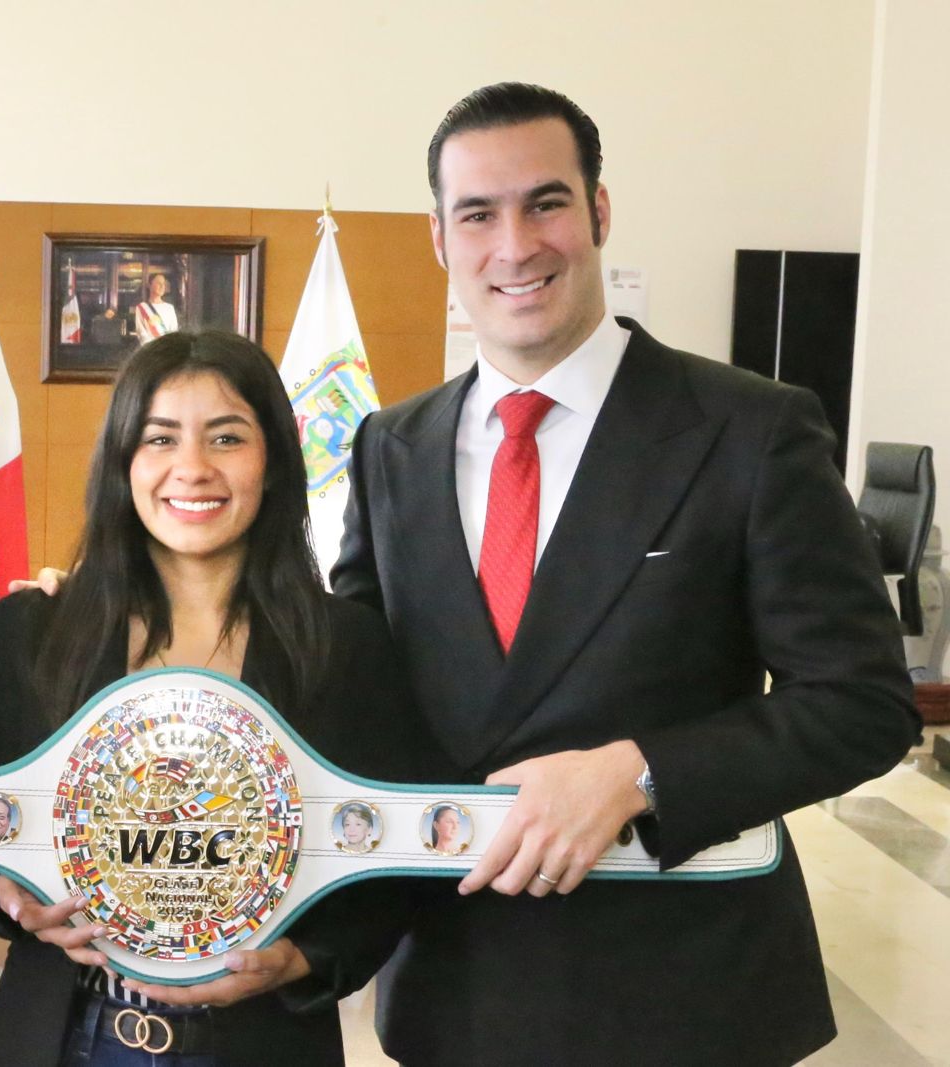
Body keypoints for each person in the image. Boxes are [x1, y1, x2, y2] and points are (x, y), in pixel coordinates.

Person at [332, 83, 920, 1065]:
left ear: (598, 211)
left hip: (680, 996)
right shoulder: (389, 446)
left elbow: (863, 703)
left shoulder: (750, 429)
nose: (515, 245)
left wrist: (638, 771)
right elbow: (348, 682)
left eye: (546, 203)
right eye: (477, 214)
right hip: (456, 991)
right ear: (439, 238)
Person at [0, 331, 440, 1066]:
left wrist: (303, 959)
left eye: (226, 437)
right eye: (160, 438)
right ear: (123, 462)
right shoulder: (34, 630)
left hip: (261, 1043)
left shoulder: (349, 646)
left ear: (273, 462)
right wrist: (8, 890)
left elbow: (398, 856)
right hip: (63, 1034)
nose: (192, 467)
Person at [134, 272, 179, 341]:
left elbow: (174, 331)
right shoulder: (141, 307)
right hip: (150, 346)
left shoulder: (170, 308)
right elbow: (141, 332)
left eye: (163, 284)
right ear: (149, 285)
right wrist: (153, 346)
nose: (162, 286)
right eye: (158, 283)